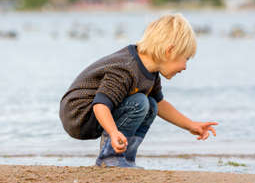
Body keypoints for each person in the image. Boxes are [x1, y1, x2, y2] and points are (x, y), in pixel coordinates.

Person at [59, 13, 218, 168]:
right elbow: (100, 105)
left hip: (98, 113)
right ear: (170, 51)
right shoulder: (127, 68)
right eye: (186, 59)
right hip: (79, 114)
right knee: (140, 103)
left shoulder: (151, 72)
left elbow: (161, 105)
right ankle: (110, 157)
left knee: (151, 105)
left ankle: (125, 157)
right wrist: (114, 133)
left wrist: (191, 125)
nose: (185, 67)